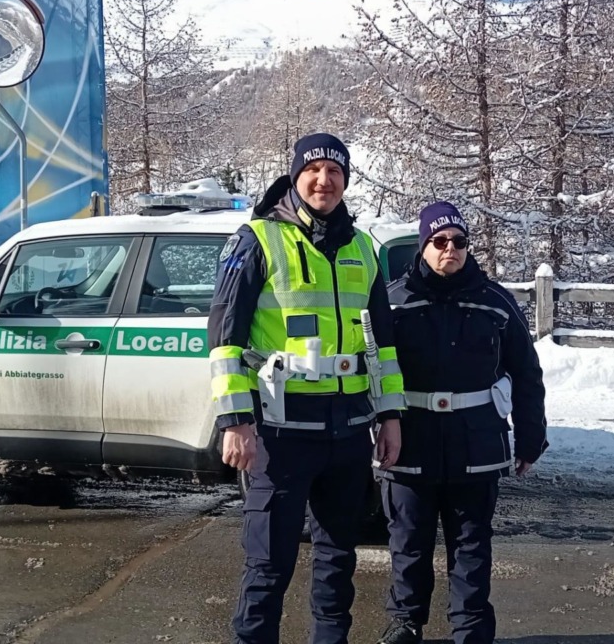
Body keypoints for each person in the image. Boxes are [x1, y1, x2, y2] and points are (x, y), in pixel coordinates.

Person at [209, 132, 406, 644]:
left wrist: (390, 416)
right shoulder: (257, 238)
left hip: (348, 432)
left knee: (338, 562)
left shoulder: (364, 248)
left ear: (346, 181)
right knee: (268, 564)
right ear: (295, 176)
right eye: (313, 170)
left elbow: (382, 346)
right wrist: (236, 421)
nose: (324, 180)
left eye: (335, 172)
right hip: (281, 432)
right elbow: (225, 338)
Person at [375, 201, 548, 644]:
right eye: (439, 241)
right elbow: (371, 372)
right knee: (408, 541)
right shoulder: (392, 301)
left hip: (476, 442)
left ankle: (470, 629)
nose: (449, 248)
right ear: (423, 246)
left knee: (471, 546)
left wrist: (531, 438)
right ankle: (405, 623)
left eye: (458, 241)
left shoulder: (495, 302)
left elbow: (527, 373)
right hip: (411, 441)